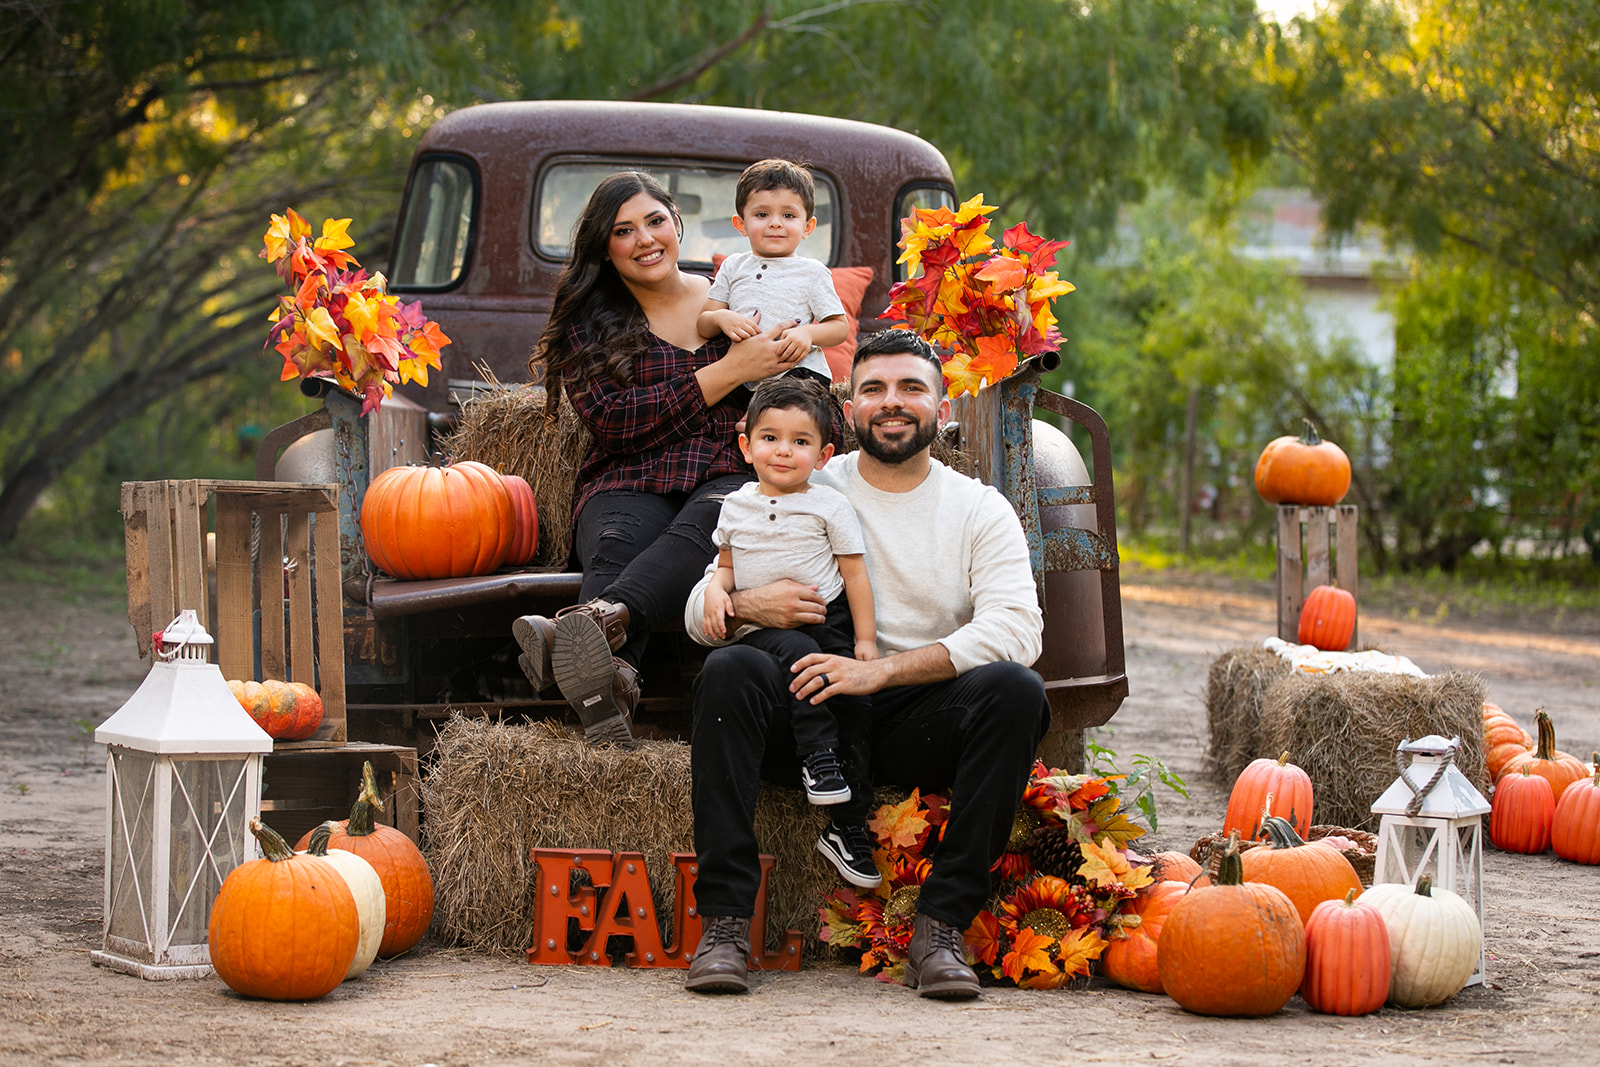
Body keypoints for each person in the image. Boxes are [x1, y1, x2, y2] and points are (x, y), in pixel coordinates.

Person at [681, 330, 1051, 997]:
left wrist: (883, 670)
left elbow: (1019, 628)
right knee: (730, 671)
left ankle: (940, 929)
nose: (892, 403)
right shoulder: (800, 482)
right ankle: (726, 922)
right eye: (873, 388)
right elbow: (698, 611)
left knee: (1016, 689)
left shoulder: (978, 508)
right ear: (847, 407)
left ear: (943, 408)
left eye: (912, 388)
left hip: (915, 717)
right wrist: (742, 601)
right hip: (808, 720)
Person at [513, 171, 800, 745]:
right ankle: (611, 680)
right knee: (619, 542)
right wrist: (730, 373)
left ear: (675, 222)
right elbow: (615, 424)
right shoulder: (587, 323)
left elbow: (803, 387)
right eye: (623, 231)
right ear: (604, 247)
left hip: (723, 471)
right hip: (628, 475)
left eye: (654, 221)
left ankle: (597, 637)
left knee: (724, 518)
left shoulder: (736, 298)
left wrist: (777, 412)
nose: (645, 239)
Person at [703, 375, 881, 889]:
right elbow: (726, 566)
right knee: (802, 656)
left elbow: (854, 576)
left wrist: (865, 641)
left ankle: (849, 825)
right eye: (770, 438)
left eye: (800, 442)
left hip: (828, 617)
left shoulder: (829, 506)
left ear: (823, 455)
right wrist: (719, 593)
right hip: (762, 629)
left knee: (854, 702)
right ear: (746, 446)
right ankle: (817, 758)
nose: (784, 451)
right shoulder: (735, 505)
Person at [697, 159, 847, 386]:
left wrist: (807, 334)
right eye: (761, 215)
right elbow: (703, 324)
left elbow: (839, 327)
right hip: (743, 376)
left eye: (788, 215)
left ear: (807, 227)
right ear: (741, 224)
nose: (775, 223)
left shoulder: (812, 272)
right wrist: (721, 317)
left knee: (787, 412)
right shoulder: (733, 266)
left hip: (798, 374)